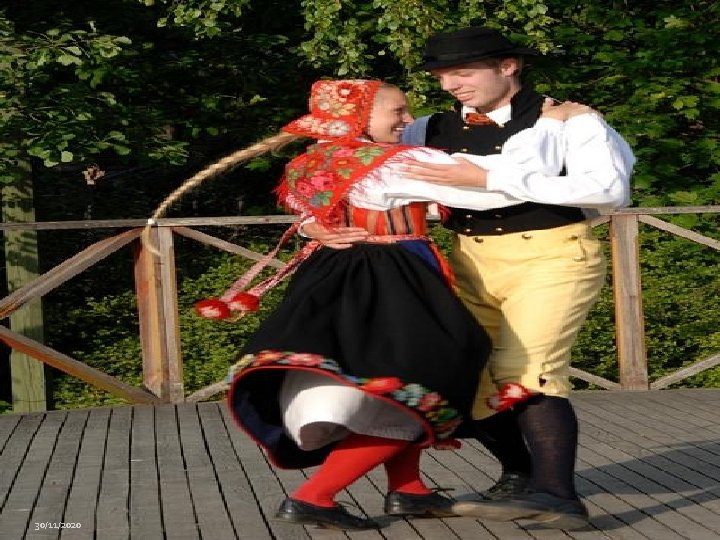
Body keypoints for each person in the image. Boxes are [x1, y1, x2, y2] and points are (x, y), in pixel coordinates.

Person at [143, 78, 603, 531]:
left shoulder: (313, 160)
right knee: (423, 381)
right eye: (397, 111)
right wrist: (554, 125)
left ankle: (409, 488)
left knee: (391, 375)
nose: (409, 119)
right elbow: (501, 185)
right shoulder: (397, 162)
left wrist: (312, 227)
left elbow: (305, 213)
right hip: (394, 276)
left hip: (335, 275)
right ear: (359, 118)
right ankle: (314, 496)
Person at [304, 27, 635, 531]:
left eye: (462, 73)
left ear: (508, 66)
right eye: (442, 77)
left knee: (526, 368)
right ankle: (520, 476)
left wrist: (488, 177)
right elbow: (348, 169)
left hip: (551, 255)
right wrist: (313, 225)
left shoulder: (571, 120)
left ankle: (558, 495)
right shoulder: (425, 129)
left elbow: (609, 190)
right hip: (466, 258)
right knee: (462, 372)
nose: (450, 85)